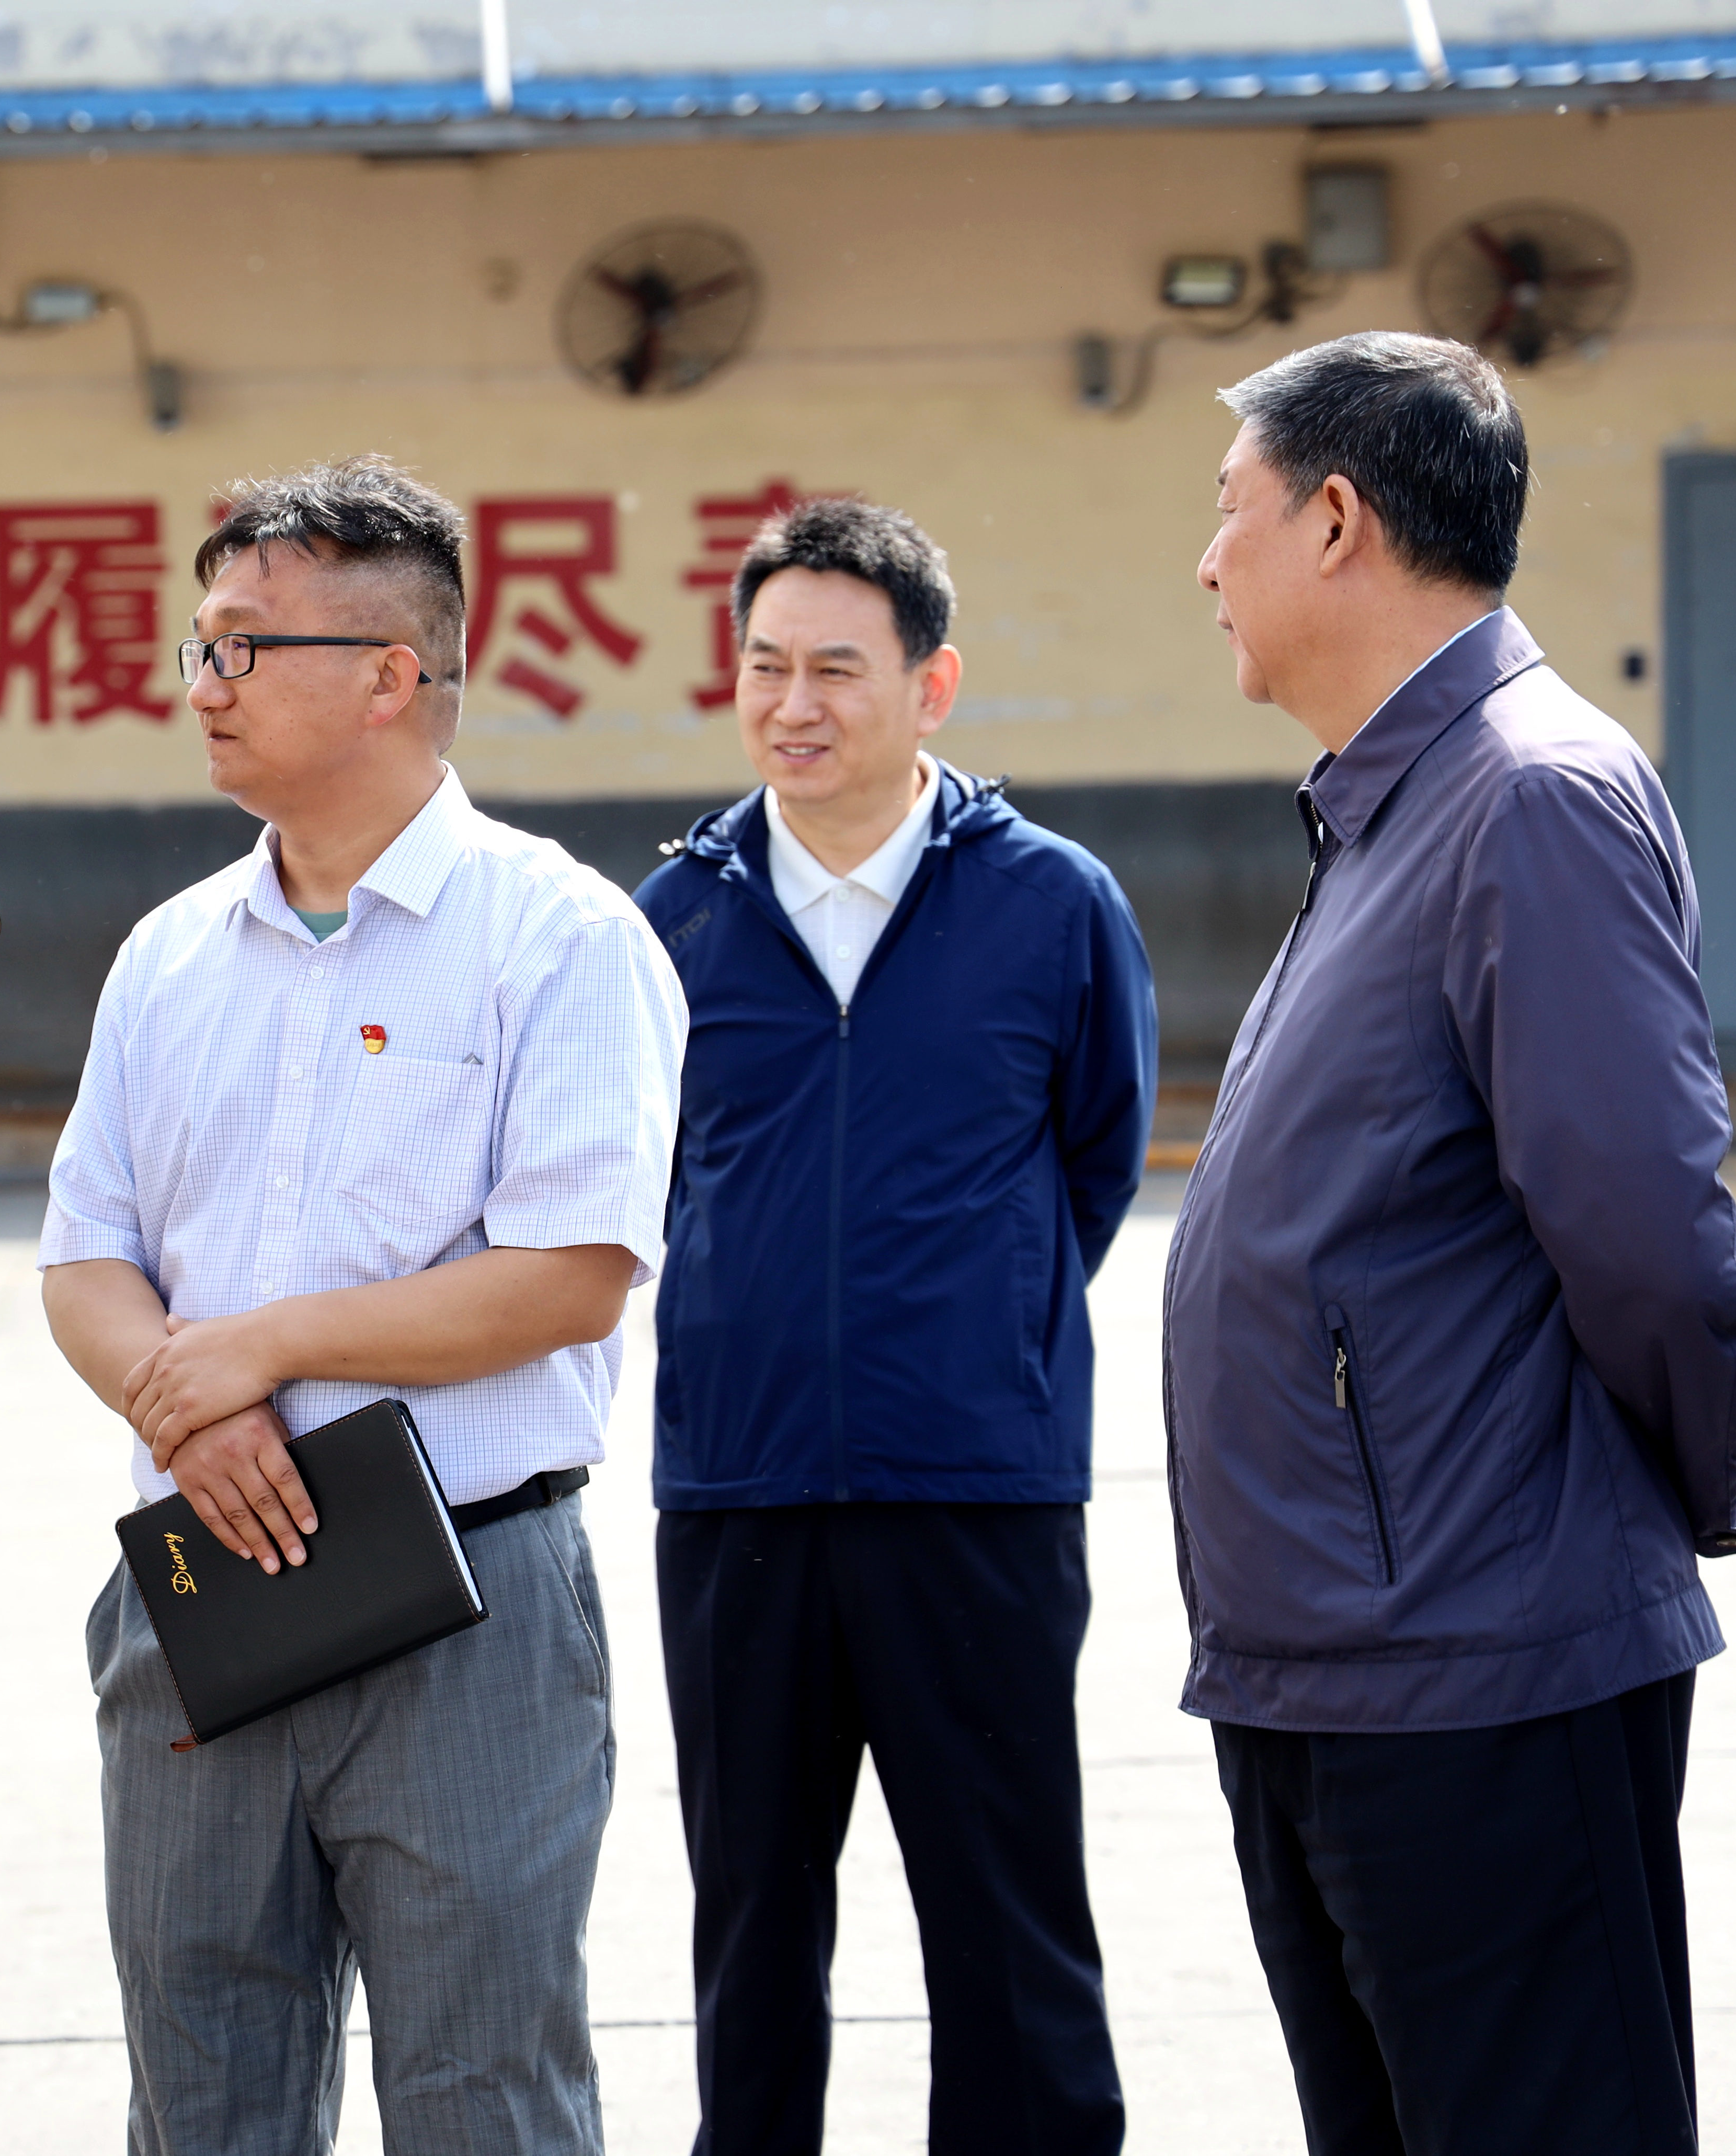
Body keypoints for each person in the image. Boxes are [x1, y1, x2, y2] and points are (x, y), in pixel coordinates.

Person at [1171, 331, 1736, 2155]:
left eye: (1229, 511)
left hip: (1481, 1666)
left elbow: (1652, 1236)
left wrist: (1666, 1481)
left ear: (1337, 520)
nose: (1205, 563)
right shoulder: (1393, 800)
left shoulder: (1526, 793)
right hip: (1339, 1664)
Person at [37, 455, 684, 2156]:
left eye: (247, 646)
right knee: (205, 2091)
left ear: (393, 673)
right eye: (201, 643)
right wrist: (194, 1408)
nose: (205, 681)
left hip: (463, 1595)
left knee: (484, 2094)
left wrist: (270, 1343)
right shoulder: (169, 955)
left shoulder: (559, 936)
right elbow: (84, 1255)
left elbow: (571, 1273)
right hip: (205, 1579)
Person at [634, 498, 1151, 2155]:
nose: (793, 704)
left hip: (977, 1493)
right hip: (744, 1495)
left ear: (933, 685)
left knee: (1009, 1928)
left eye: (836, 669)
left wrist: (975, 1332)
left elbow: (1095, 1164)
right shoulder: (671, 921)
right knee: (752, 1931)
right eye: (764, 665)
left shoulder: (1055, 905)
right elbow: (647, 1184)